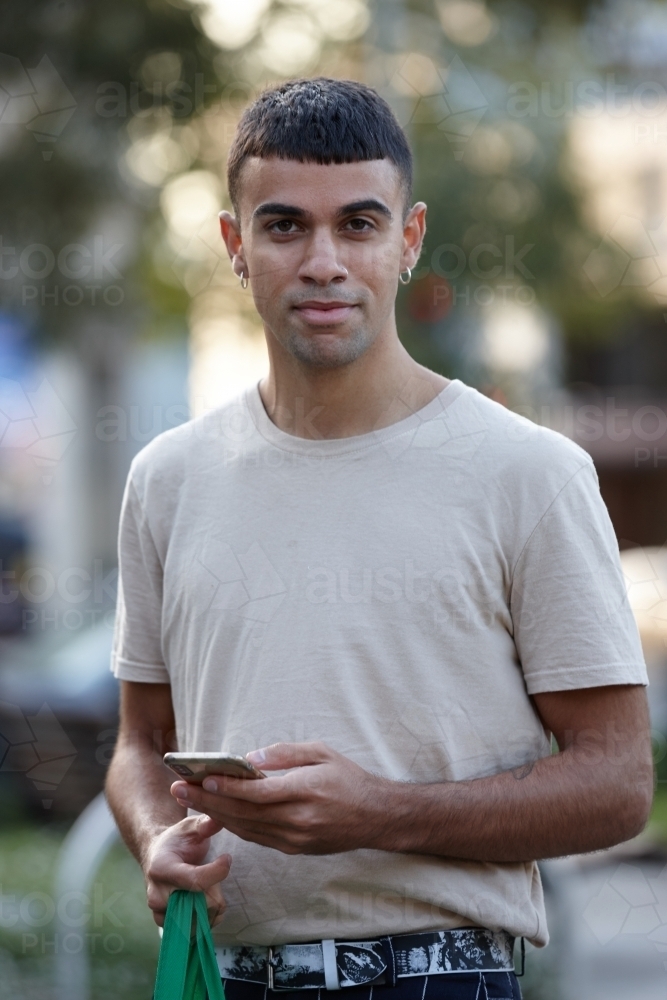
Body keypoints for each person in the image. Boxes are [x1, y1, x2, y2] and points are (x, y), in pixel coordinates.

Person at [106, 78, 653, 1000]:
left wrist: (381, 814)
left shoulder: (528, 474)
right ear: (235, 246)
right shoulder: (166, 478)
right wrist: (158, 837)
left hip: (438, 976)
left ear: (408, 239)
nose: (323, 260)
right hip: (219, 973)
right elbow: (138, 742)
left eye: (357, 224)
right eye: (284, 227)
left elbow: (616, 785)